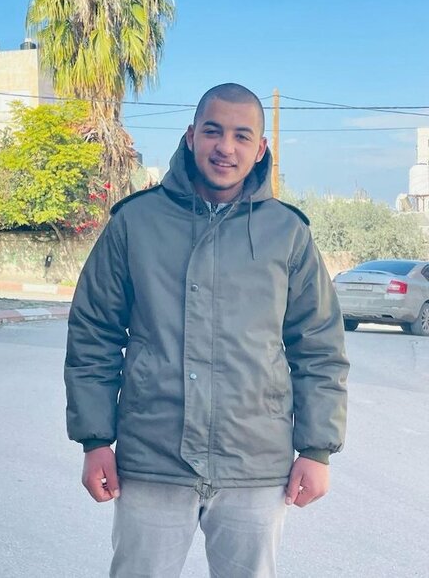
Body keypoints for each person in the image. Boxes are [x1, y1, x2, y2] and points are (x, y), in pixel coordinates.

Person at [65, 83, 349, 578]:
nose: (226, 147)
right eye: (213, 131)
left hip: (255, 463)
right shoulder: (136, 222)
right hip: (153, 458)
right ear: (191, 135)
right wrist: (95, 441)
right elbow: (94, 334)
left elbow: (319, 347)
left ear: (260, 148)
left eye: (242, 136)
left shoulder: (287, 233)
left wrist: (316, 449)